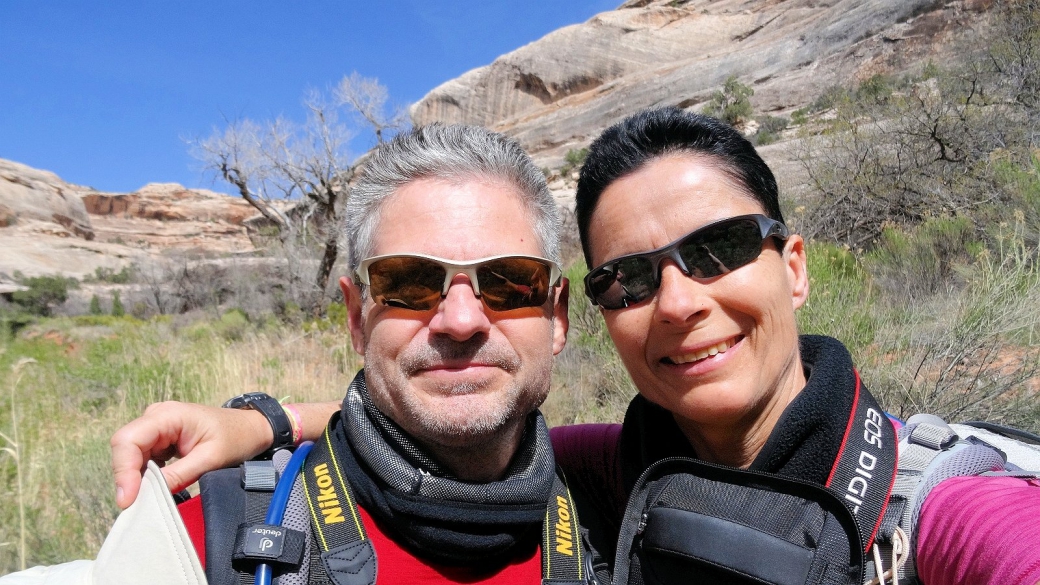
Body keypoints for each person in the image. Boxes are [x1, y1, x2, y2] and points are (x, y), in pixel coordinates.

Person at [106, 109, 1040, 585]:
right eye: (631, 278)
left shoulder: (948, 509)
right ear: (357, 316)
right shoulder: (616, 471)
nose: (677, 302)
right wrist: (264, 423)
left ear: (793, 265)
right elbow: (448, 411)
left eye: (715, 251)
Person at [0, 123, 601, 585]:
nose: (462, 320)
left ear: (557, 316)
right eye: (410, 281)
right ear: (355, 320)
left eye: (510, 282)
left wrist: (274, 419)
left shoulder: (622, 496)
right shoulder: (206, 542)